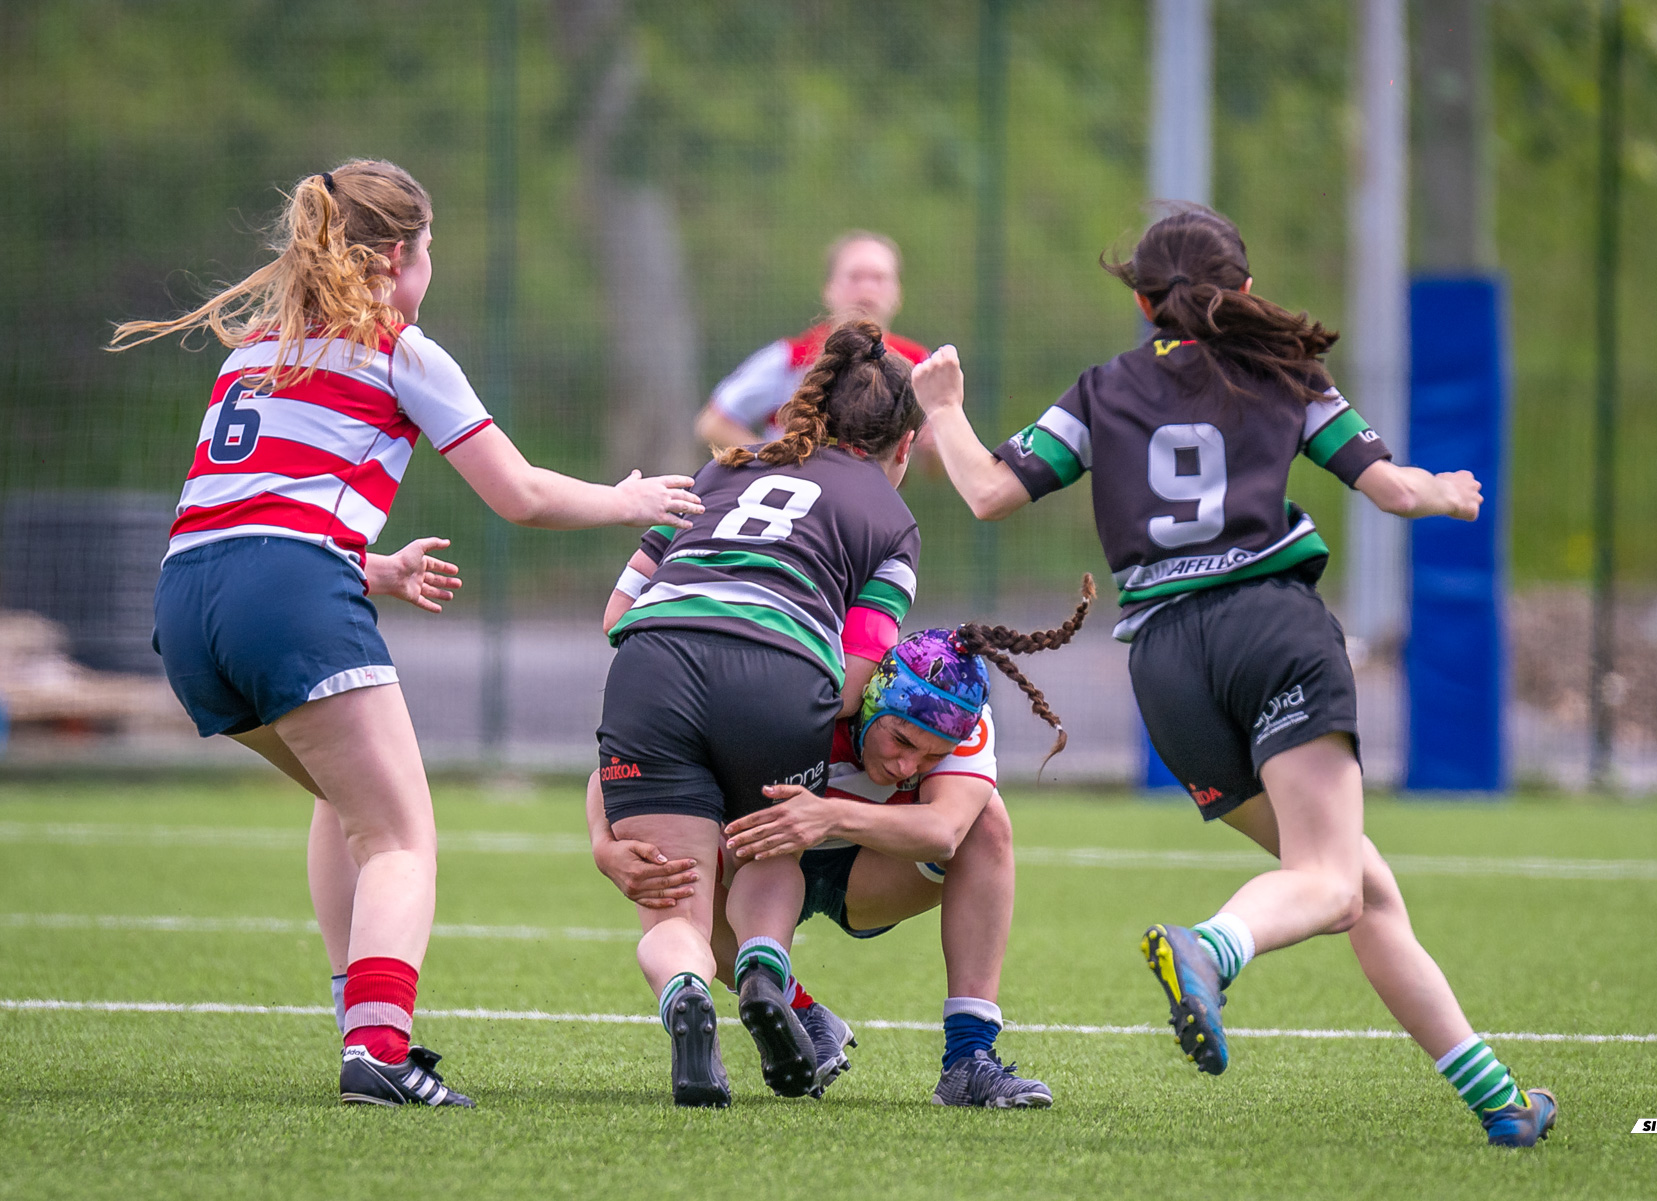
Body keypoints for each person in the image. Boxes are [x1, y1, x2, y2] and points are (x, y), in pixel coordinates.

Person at [910, 204, 1558, 1148]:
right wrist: (1449, 492)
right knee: (1331, 882)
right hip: (1271, 631)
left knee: (1359, 887)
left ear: (1142, 301)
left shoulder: (1099, 390)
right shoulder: (1289, 374)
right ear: (1245, 293)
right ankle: (1209, 948)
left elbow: (985, 491)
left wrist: (942, 408)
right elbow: (1392, 488)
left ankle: (1500, 1100)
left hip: (1168, 668)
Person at [110, 159, 702, 1109]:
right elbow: (520, 493)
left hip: (186, 604)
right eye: (429, 253)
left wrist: (369, 567)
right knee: (399, 836)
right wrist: (625, 500)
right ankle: (380, 1050)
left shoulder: (255, 349)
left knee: (347, 804)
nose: (431, 272)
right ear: (396, 256)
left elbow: (245, 513)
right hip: (286, 590)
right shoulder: (399, 348)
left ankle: (361, 1023)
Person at [591, 580, 1093, 1108]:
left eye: (929, 757)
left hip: (873, 874)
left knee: (985, 822)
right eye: (900, 740)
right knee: (677, 864)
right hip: (754, 868)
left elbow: (944, 829)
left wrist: (828, 816)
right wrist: (604, 847)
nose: (907, 767)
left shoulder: (963, 720)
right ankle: (798, 1012)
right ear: (870, 700)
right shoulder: (806, 693)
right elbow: (637, 762)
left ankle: (968, 1060)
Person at [597, 318, 924, 1107]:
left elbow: (616, 615)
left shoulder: (719, 470)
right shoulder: (891, 519)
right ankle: (764, 968)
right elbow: (852, 678)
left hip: (654, 666)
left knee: (675, 898)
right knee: (767, 851)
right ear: (904, 447)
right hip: (778, 677)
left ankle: (684, 991)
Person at [695, 232, 930, 448]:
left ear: (898, 292)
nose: (866, 289)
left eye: (878, 278)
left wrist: (933, 443)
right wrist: (773, 463)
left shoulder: (918, 364)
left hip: (871, 494)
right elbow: (712, 423)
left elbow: (934, 464)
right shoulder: (791, 358)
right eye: (855, 277)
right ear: (829, 289)